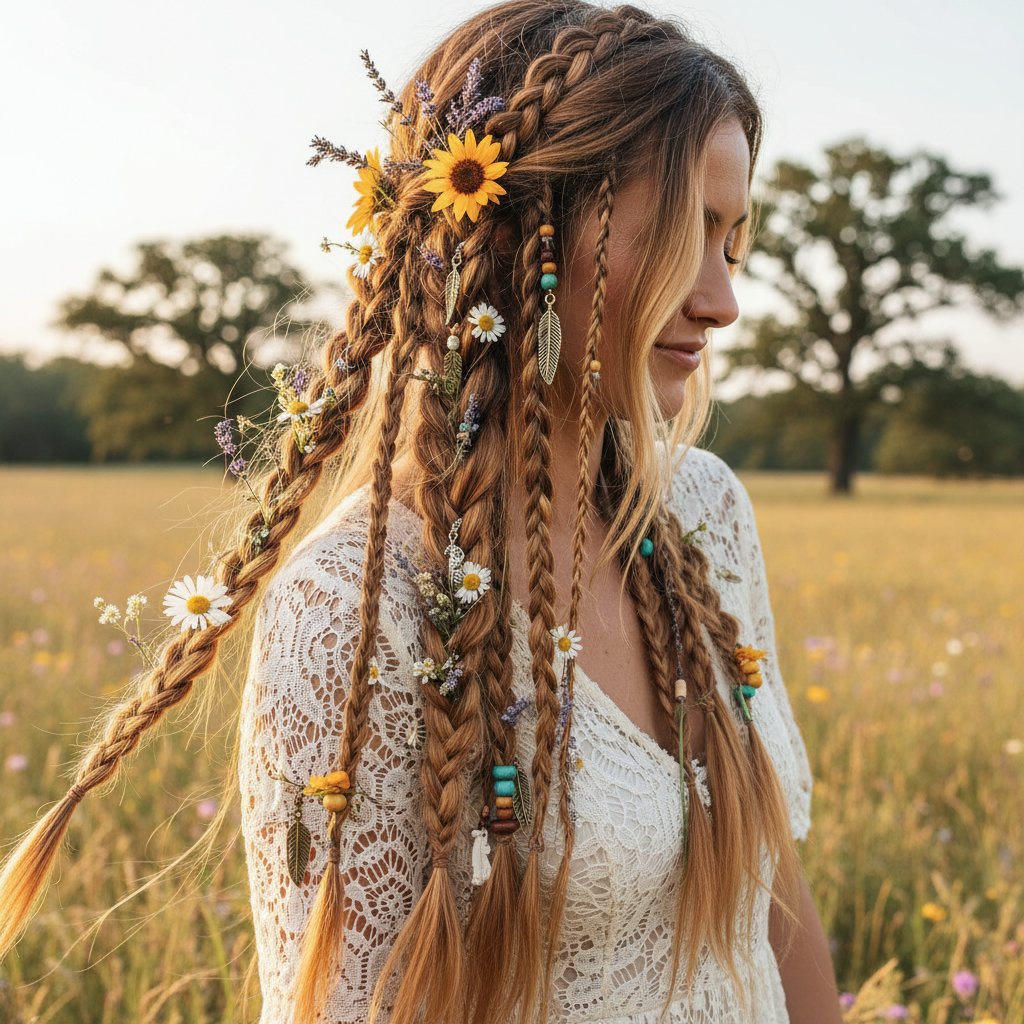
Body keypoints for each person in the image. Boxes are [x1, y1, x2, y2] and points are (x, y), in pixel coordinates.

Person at [0, 2, 843, 1022]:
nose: (721, 301)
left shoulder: (705, 512)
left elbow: (774, 900)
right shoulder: (352, 610)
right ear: (524, 234)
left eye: (732, 244)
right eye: (682, 236)